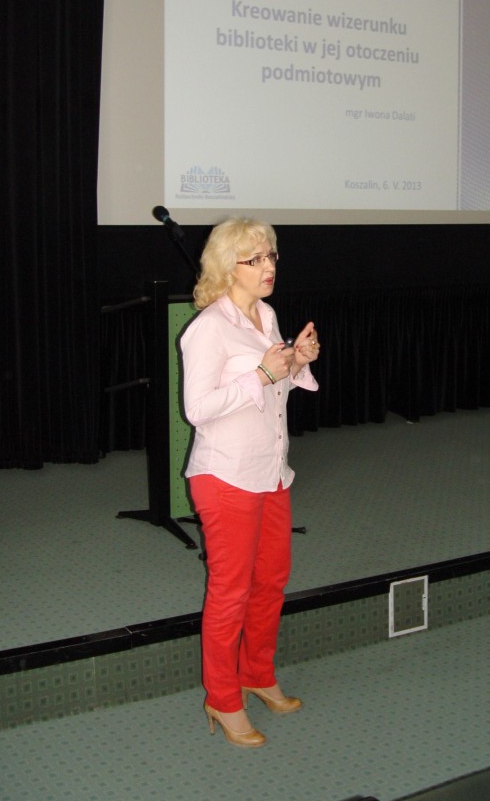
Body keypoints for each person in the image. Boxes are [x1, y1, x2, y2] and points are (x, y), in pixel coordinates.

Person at [180, 217, 320, 749]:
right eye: (255, 259)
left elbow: (274, 386)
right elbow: (197, 409)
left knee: (271, 582)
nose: (269, 267)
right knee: (231, 592)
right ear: (227, 266)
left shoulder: (267, 314)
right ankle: (222, 696)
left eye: (271, 256)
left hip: (270, 471)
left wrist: (295, 364)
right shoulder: (208, 328)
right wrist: (260, 374)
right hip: (226, 476)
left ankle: (257, 673)